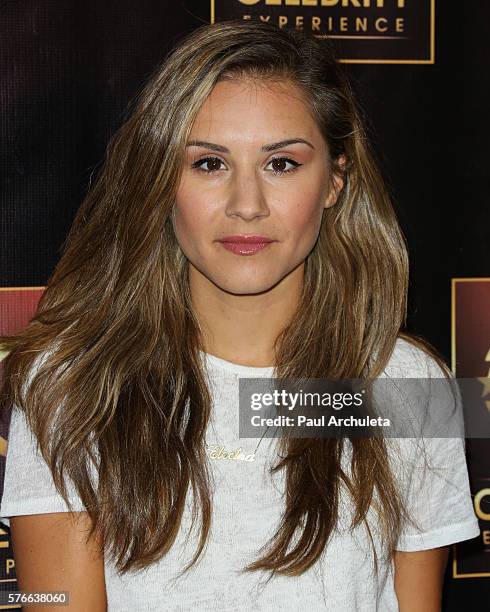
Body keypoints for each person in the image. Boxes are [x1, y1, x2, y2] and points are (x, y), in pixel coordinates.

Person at [0, 19, 479, 611]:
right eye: (208, 163)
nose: (246, 206)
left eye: (281, 164)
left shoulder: (408, 389)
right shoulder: (74, 385)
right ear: (160, 180)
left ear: (334, 180)